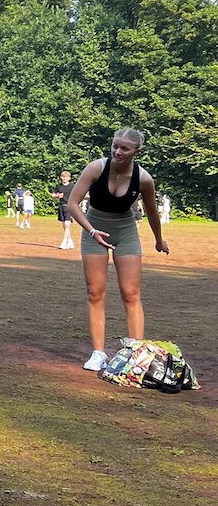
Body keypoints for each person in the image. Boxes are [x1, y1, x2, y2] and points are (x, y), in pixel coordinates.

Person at [65, 128, 168, 373]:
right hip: (94, 230)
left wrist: (159, 239)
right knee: (95, 292)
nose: (117, 151)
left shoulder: (143, 179)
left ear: (137, 152)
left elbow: (152, 211)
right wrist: (92, 231)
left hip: (126, 233)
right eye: (115, 146)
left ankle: (136, 355)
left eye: (124, 148)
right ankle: (98, 353)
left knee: (131, 293)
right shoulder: (95, 168)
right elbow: (72, 204)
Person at [52, 170, 76, 249]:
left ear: (69, 178)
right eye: (63, 177)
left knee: (67, 225)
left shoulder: (72, 186)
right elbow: (53, 194)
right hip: (61, 206)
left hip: (69, 207)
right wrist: (57, 195)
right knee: (64, 226)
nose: (64, 178)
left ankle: (64, 242)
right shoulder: (59, 186)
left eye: (66, 177)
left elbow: (77, 195)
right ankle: (70, 242)